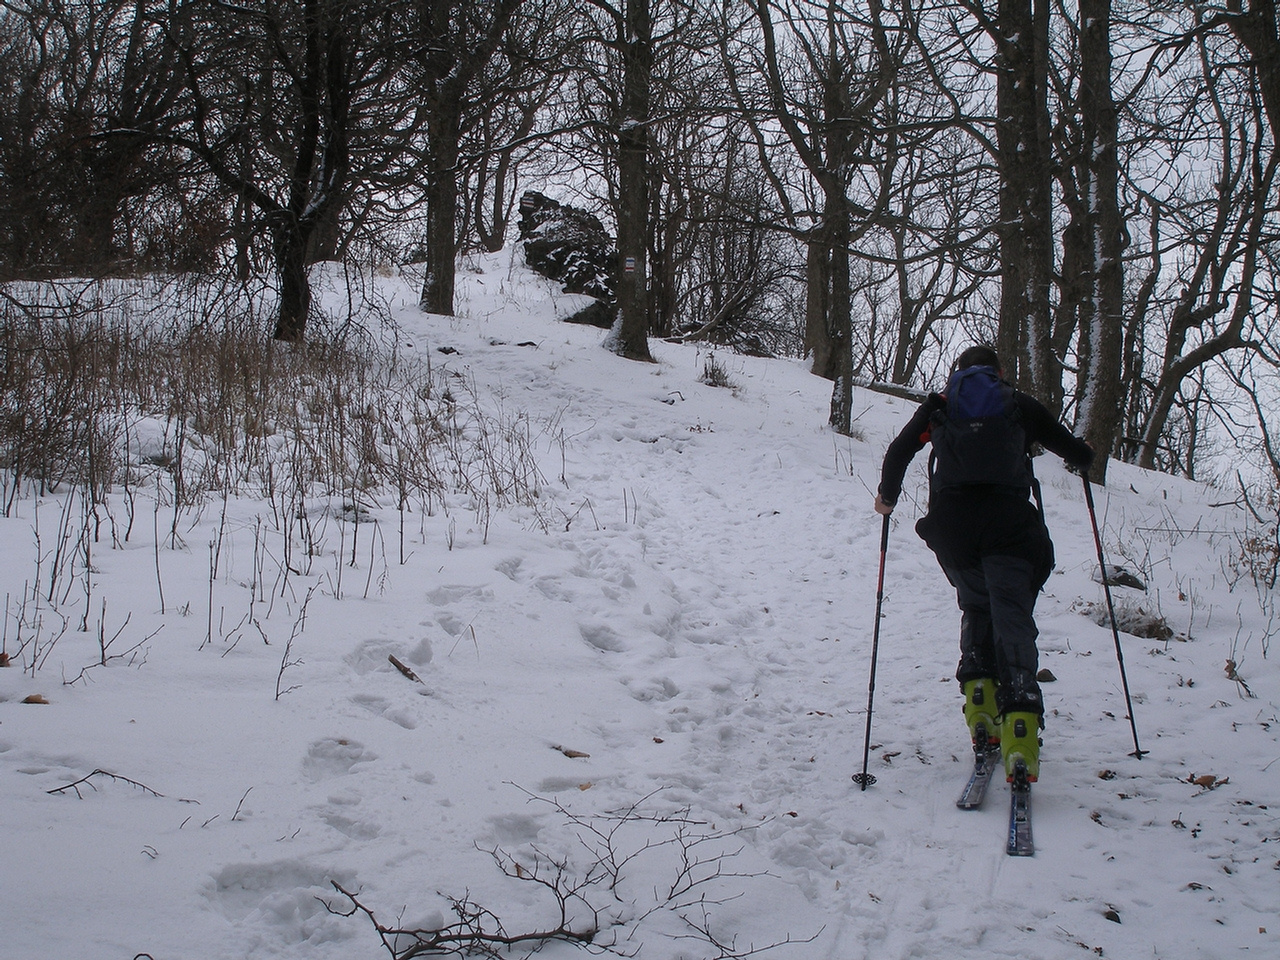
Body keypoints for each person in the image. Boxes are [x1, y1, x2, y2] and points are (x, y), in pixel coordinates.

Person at [874, 345, 1093, 784]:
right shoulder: (1018, 405)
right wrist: (1084, 455)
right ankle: (1020, 724)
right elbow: (1073, 451)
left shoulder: (940, 406)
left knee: (976, 605)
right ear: (999, 371)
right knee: (1011, 615)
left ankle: (979, 698)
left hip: (953, 530)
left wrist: (887, 498)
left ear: (957, 373)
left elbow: (899, 451)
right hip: (1009, 527)